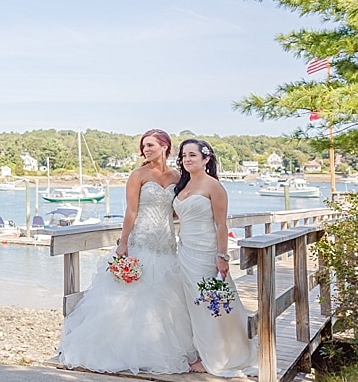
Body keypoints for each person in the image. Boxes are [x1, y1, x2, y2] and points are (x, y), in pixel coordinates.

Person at [58, 129, 196, 374]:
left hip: (166, 243)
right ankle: (123, 351)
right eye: (144, 146)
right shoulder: (138, 175)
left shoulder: (177, 176)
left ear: (165, 146)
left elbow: (176, 210)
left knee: (165, 297)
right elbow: (131, 211)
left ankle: (157, 350)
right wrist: (123, 243)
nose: (146, 150)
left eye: (151, 145)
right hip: (141, 240)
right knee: (131, 297)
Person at [173, 139, 257, 376]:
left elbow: (221, 224)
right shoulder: (183, 185)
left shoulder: (214, 186)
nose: (187, 159)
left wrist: (223, 256)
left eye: (192, 155)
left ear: (205, 159)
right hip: (185, 251)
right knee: (191, 304)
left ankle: (215, 356)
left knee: (210, 304)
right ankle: (200, 350)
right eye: (184, 155)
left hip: (207, 252)